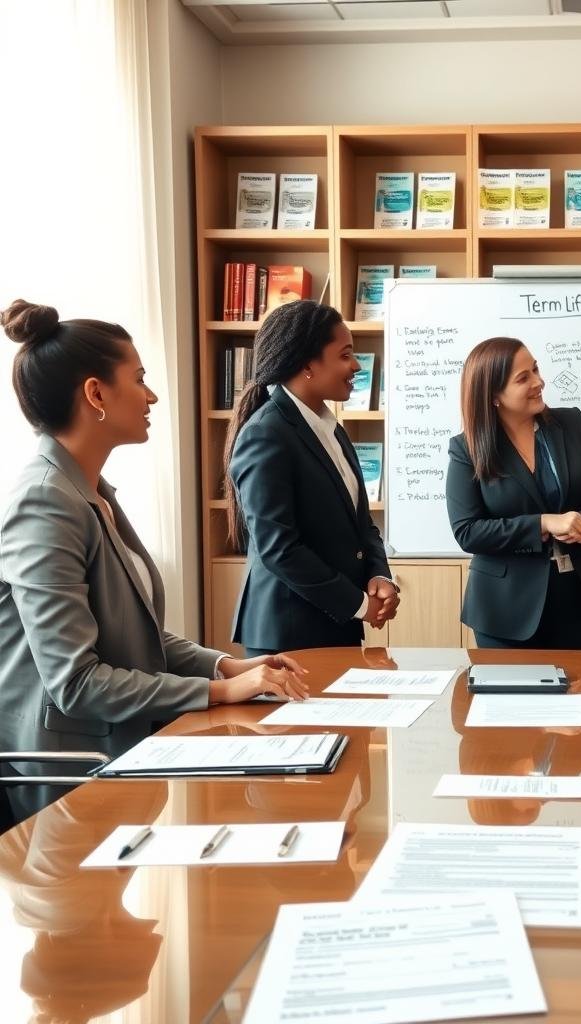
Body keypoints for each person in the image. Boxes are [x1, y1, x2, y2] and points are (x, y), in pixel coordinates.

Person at [0, 300, 309, 821]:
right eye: (139, 379)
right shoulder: (45, 501)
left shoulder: (92, 492)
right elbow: (77, 681)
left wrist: (228, 664)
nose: (152, 395)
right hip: (65, 779)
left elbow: (131, 633)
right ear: (95, 394)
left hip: (115, 756)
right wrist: (221, 690)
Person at [226, 300, 398, 655]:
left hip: (336, 626)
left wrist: (379, 575)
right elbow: (279, 548)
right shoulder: (266, 434)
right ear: (307, 364)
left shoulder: (332, 429)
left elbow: (361, 526)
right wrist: (359, 604)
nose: (355, 366)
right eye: (345, 355)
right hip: (287, 637)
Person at [446, 336, 581, 649]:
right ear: (494, 396)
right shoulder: (467, 449)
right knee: (510, 698)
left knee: (578, 696)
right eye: (523, 378)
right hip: (505, 609)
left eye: (535, 369)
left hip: (577, 596)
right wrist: (543, 523)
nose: (539, 382)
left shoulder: (571, 423)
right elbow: (467, 531)